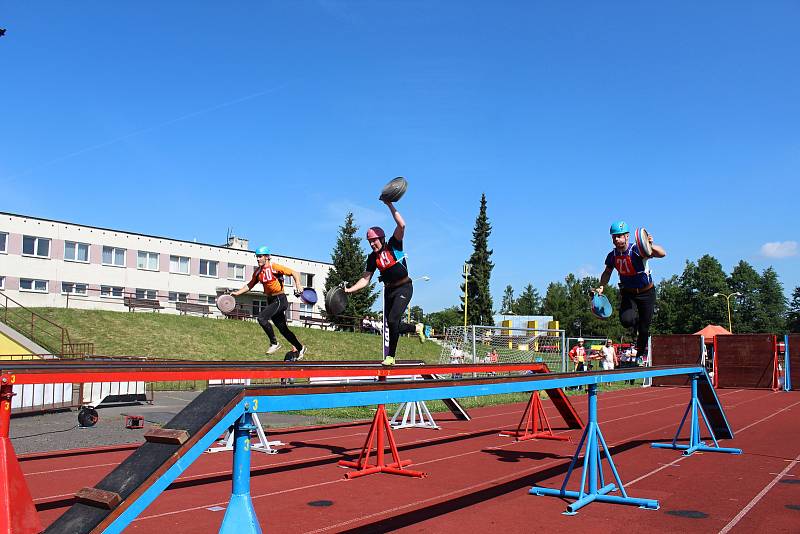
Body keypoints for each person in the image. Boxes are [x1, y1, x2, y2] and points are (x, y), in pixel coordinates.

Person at [344, 200, 418, 366]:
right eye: (369, 242)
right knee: (392, 324)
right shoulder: (372, 258)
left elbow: (402, 225)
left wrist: (389, 204)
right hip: (389, 291)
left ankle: (391, 357)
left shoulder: (393, 244)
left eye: (374, 240)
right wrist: (349, 290)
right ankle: (417, 328)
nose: (372, 244)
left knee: (392, 321)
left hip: (404, 286)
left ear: (382, 238)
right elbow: (365, 279)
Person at [595, 221, 666, 358]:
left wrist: (649, 244)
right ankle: (636, 325)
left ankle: (639, 355)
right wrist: (602, 286)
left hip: (646, 292)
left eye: (619, 236)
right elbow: (607, 272)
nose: (616, 239)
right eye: (614, 237)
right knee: (626, 320)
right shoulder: (612, 255)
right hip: (629, 293)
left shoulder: (637, 249)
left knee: (644, 328)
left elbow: (662, 253)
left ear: (627, 236)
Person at [230, 246, 307, 361]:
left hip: (280, 299)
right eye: (257, 256)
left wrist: (298, 284)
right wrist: (237, 293)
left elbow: (294, 273)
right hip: (271, 300)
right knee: (283, 329)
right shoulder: (258, 272)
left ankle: (274, 343)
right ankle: (300, 348)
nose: (258, 259)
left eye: (260, 256)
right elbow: (250, 285)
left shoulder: (274, 267)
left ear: (267, 257)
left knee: (261, 318)